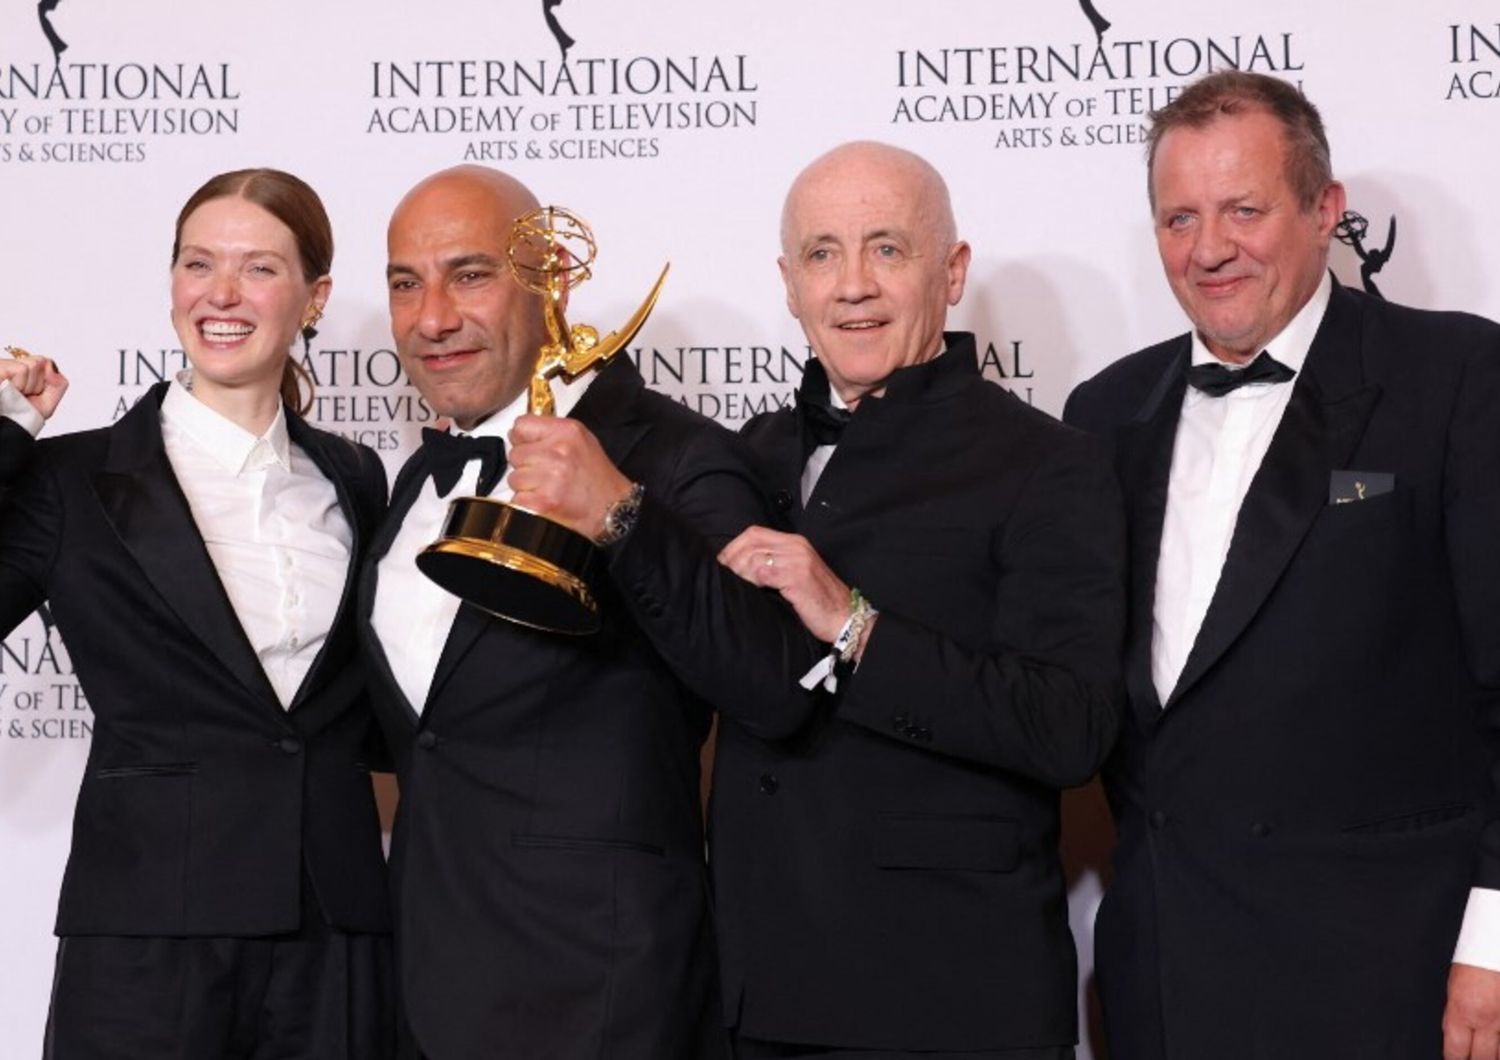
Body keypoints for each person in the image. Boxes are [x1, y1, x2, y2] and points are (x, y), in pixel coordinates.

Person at [1064, 70, 1500, 1060]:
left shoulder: (1457, 380)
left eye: (1243, 210)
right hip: (1166, 979)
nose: (1209, 248)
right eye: (1179, 218)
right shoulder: (1103, 413)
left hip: (1397, 976)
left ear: (1325, 211)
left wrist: (1495, 941)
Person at [363, 164, 817, 1060]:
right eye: (405, 284)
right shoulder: (415, 480)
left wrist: (620, 515)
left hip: (606, 999)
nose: (432, 318)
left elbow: (775, 684)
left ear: (552, 284)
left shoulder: (680, 456)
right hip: (421, 992)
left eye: (470, 274)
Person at [705, 140, 1126, 1059]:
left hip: (949, 999)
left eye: (887, 248)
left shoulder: (1049, 464)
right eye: (823, 253)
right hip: (753, 995)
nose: (853, 284)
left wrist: (854, 624)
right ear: (788, 282)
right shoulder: (747, 457)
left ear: (953, 270)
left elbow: (1071, 727)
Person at [0, 168, 394, 1060]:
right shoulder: (71, 480)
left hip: (333, 929)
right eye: (197, 264)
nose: (221, 294)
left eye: (259, 268)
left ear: (314, 295)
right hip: (147, 935)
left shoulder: (357, 477)